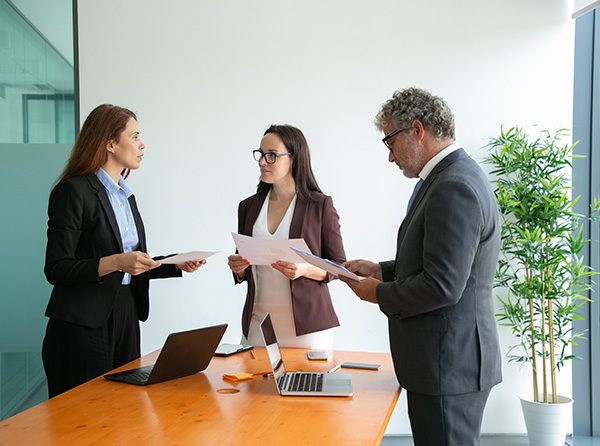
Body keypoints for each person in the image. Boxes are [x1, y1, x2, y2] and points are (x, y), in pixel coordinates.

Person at [340, 88, 502, 445]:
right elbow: (442, 261)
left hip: (448, 364)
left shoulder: (453, 185)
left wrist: (378, 294)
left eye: (389, 143)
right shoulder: (450, 176)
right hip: (448, 362)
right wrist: (383, 270)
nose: (390, 157)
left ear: (417, 130)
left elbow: (443, 285)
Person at [42, 104, 204, 398]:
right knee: (82, 419)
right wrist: (116, 262)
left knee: (123, 412)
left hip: (127, 313)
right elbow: (57, 268)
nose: (142, 145)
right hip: (83, 324)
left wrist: (174, 264)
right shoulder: (73, 192)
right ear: (110, 143)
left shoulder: (124, 195)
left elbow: (133, 262)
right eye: (135, 135)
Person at [228, 125, 345, 349]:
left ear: (294, 158)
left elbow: (339, 266)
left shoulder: (319, 205)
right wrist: (238, 267)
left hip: (307, 328)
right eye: (261, 154)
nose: (263, 161)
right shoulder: (248, 206)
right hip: (258, 324)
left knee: (305, 384)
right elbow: (243, 263)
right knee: (253, 384)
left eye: (272, 155)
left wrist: (306, 269)